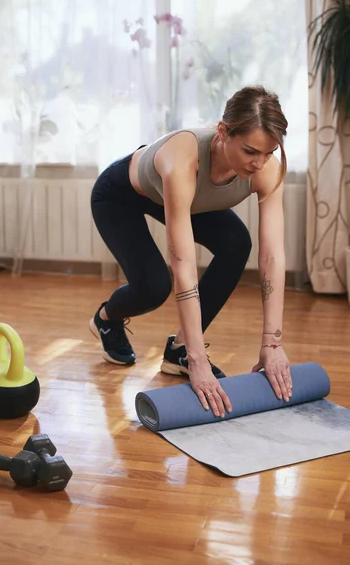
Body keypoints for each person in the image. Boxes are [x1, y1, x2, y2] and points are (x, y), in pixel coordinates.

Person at [90, 85, 293, 418]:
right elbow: (183, 264)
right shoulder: (183, 158)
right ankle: (107, 318)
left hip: (190, 199)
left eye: (268, 153)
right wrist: (200, 361)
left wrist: (273, 344)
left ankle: (180, 350)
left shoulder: (266, 168)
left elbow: (272, 257)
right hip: (120, 197)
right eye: (250, 151)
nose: (259, 163)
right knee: (154, 287)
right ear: (223, 131)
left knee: (236, 242)